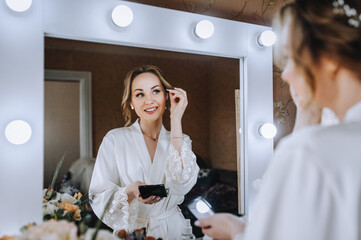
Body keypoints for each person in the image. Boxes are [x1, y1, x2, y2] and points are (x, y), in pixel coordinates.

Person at [196, 0, 361, 239]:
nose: (285, 73)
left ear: (328, 58)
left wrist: (237, 231)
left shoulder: (308, 150)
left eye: (290, 58)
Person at [89, 65, 199, 239]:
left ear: (166, 96)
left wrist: (176, 118)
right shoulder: (115, 140)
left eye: (155, 91)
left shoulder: (181, 140)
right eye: (140, 94)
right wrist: (131, 191)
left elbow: (182, 182)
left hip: (173, 230)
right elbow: (98, 197)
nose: (149, 100)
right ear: (131, 102)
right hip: (134, 232)